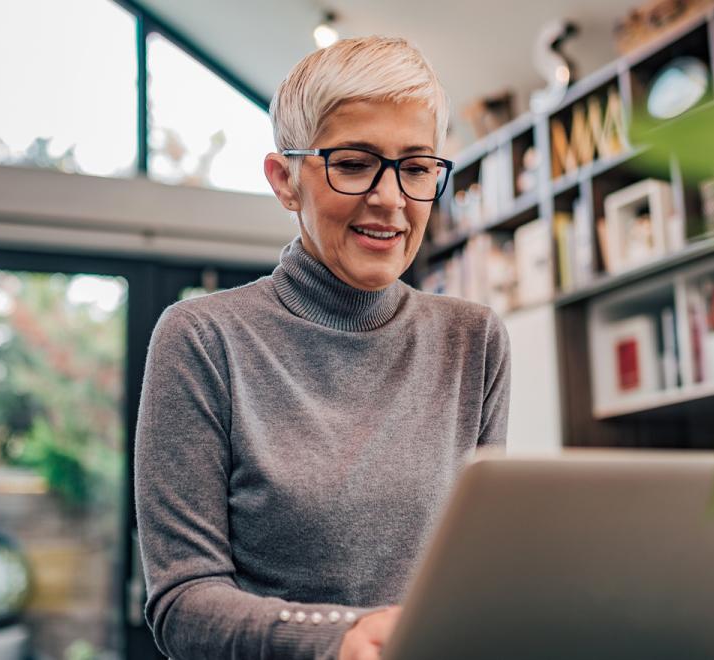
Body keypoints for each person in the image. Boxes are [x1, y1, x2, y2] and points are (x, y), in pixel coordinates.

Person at [135, 35, 511, 660]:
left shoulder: (474, 341)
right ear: (284, 180)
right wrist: (340, 638)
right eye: (355, 163)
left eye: (416, 167)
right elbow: (182, 603)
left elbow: (480, 570)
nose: (390, 199)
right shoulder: (201, 338)